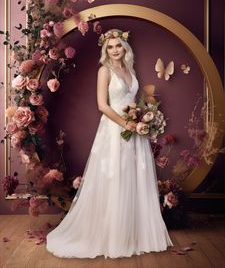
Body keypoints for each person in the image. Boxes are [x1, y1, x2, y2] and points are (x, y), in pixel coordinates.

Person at [46, 28, 174, 259]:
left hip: (134, 129)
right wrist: (128, 124)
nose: (115, 50)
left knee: (133, 176)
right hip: (115, 129)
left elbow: (132, 100)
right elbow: (102, 106)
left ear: (125, 48)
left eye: (118, 46)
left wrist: (143, 117)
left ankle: (133, 233)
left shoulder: (130, 69)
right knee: (114, 175)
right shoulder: (104, 71)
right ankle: (111, 234)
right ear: (106, 50)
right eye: (111, 46)